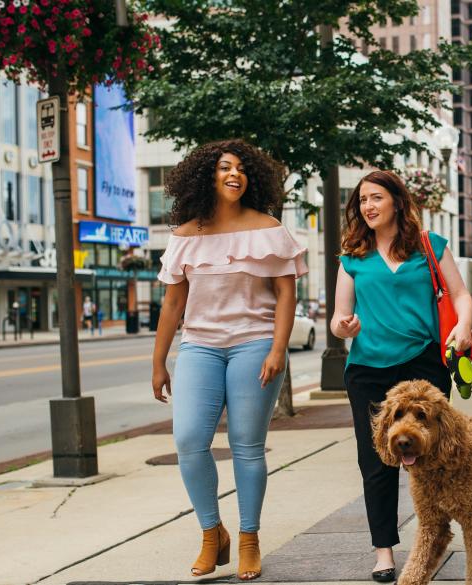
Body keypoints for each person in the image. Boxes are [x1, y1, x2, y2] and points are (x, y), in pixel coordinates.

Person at [150, 139, 306, 580]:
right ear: (207, 177)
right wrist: (159, 362)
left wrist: (279, 349)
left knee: (246, 446)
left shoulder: (268, 228)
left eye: (240, 168)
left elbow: (286, 294)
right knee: (188, 441)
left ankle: (250, 538)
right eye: (224, 167)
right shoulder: (184, 235)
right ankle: (210, 532)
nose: (234, 174)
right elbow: (171, 307)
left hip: (255, 344)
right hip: (199, 346)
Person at [331, 170, 472, 583]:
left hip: (423, 365)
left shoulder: (429, 245)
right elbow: (340, 318)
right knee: (377, 460)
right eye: (362, 201)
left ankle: (433, 532)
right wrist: (345, 328)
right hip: (368, 370)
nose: (368, 206)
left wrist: (463, 326)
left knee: (435, 455)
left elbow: (461, 294)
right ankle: (384, 552)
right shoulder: (352, 255)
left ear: (396, 200)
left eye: (376, 197)